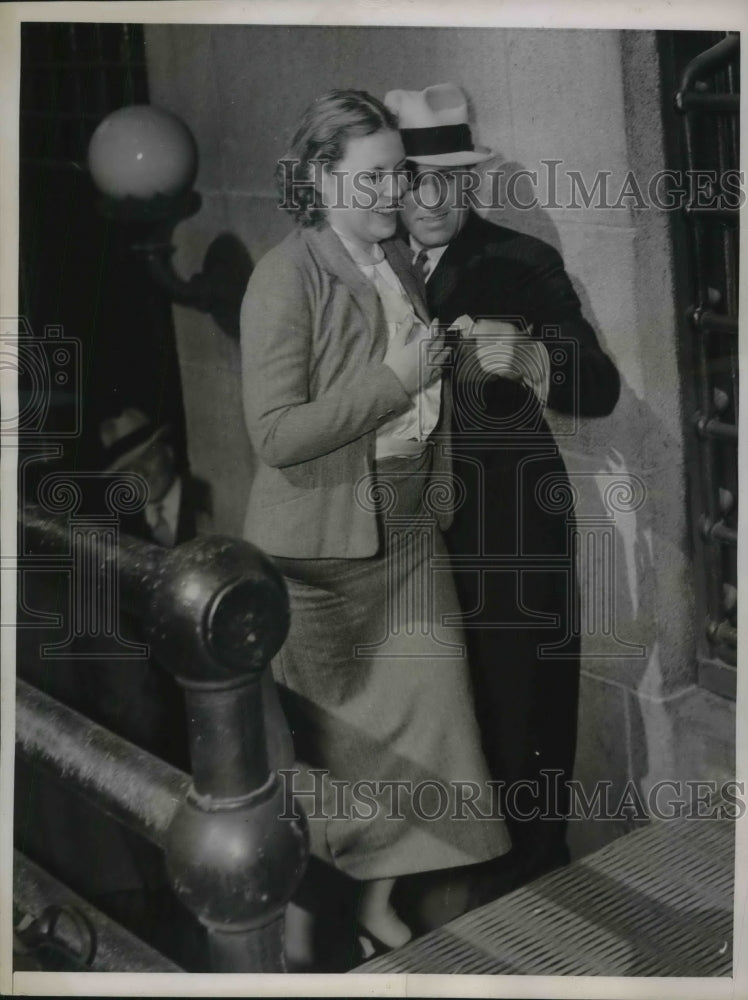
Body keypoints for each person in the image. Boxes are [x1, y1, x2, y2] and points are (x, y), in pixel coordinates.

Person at [240, 89, 510, 952]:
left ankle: (373, 905)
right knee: (340, 758)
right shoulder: (286, 275)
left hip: (407, 527)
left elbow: (416, 382)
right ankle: (310, 928)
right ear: (322, 175)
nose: (396, 189)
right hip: (322, 552)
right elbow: (276, 434)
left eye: (400, 169)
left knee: (438, 737)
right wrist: (395, 380)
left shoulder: (390, 256)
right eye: (376, 174)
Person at [384, 83, 621, 896]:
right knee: (441, 717)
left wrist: (532, 358)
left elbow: (601, 384)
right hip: (413, 537)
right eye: (415, 178)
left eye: (449, 178)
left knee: (522, 713)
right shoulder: (370, 269)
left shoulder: (522, 263)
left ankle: (535, 886)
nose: (432, 197)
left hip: (511, 532)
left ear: (470, 181)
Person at [100, 406, 210, 547]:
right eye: (127, 469)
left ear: (169, 452)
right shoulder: (123, 533)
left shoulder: (208, 500)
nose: (140, 474)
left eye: (146, 457)